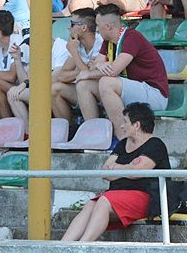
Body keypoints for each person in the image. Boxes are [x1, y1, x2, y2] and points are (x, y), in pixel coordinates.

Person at [61, 103, 169, 242]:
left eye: (125, 122)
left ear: (137, 125)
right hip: (116, 197)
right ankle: (62, 246)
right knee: (90, 204)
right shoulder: (122, 144)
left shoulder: (155, 145)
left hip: (146, 198)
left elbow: (135, 172)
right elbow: (105, 173)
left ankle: (82, 246)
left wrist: (117, 167)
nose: (122, 126)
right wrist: (127, 167)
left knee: (104, 200)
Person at [75, 4, 168, 132]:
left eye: (98, 25)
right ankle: (95, 134)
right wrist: (98, 65)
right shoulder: (107, 41)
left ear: (108, 26)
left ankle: (123, 139)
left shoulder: (132, 37)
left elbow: (113, 71)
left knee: (106, 82)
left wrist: (92, 70)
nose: (96, 30)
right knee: (83, 85)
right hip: (134, 90)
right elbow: (94, 67)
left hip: (154, 94)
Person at [51, 8, 104, 125]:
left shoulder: (100, 44)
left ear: (84, 27)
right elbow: (62, 76)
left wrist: (75, 54)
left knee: (83, 84)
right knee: (54, 88)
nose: (69, 28)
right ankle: (69, 131)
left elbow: (89, 76)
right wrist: (83, 70)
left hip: (100, 91)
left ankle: (93, 130)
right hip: (83, 88)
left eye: (72, 24)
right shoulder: (76, 44)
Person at [7, 36, 71, 128]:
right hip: (44, 90)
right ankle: (28, 134)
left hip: (63, 91)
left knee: (51, 90)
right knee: (12, 92)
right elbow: (24, 80)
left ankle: (66, 131)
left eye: (31, 42)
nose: (29, 46)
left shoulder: (61, 47)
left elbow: (55, 78)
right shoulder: (39, 51)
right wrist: (17, 59)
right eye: (28, 43)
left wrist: (26, 84)